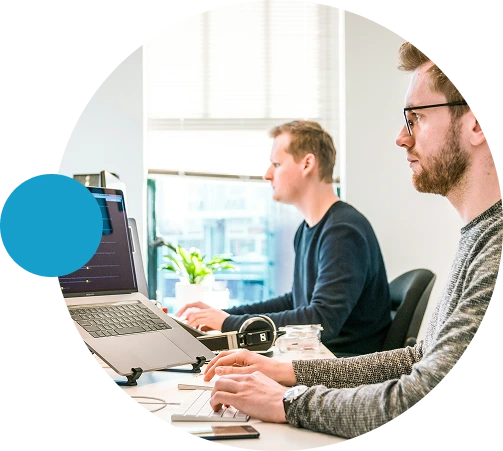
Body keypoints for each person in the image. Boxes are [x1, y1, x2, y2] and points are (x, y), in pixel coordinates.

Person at [200, 41, 503, 439]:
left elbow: (424, 392)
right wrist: (286, 371)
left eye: (415, 118)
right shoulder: (478, 236)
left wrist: (286, 401)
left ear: (475, 123)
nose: (401, 137)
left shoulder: (496, 249)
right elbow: (418, 359)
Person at [176, 119, 392, 356]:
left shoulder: (343, 231)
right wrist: (225, 315)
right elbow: (295, 302)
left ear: (307, 164)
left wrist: (229, 323)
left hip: (342, 363)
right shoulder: (308, 229)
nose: (267, 175)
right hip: (317, 356)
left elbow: (322, 321)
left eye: (277, 164)